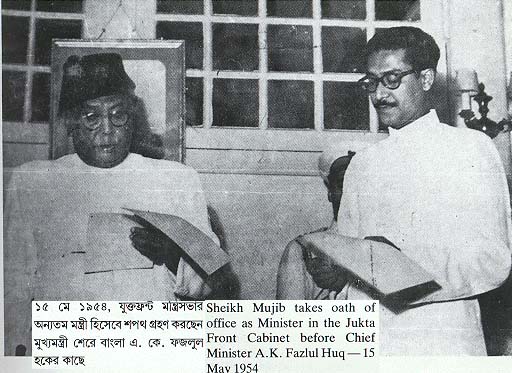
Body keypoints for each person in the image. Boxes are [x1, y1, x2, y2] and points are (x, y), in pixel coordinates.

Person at [303, 27, 512, 355]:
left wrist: (396, 269)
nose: (379, 94)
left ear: (426, 79)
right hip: (372, 347)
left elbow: (491, 262)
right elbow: (351, 265)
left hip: (441, 342)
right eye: (371, 82)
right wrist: (333, 272)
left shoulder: (469, 149)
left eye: (392, 79)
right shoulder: (362, 165)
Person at [3, 53, 220, 355]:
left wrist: (172, 255)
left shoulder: (177, 180)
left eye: (118, 115)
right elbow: (12, 291)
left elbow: (213, 281)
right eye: (92, 117)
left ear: (133, 117)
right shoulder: (34, 182)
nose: (107, 129)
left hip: (150, 350)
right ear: (70, 121)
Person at [276, 148, 354, 300]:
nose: (351, 193)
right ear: (330, 192)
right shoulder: (301, 250)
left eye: (359, 184)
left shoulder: (386, 248)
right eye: (343, 183)